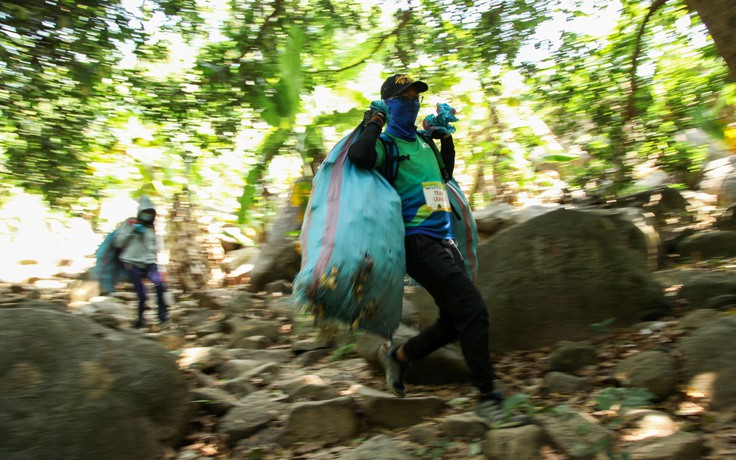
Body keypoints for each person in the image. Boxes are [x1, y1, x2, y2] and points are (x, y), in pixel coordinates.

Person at [347, 73, 530, 428]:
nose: (413, 103)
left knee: (453, 322)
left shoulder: (422, 142)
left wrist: (445, 139)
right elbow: (358, 156)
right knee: (474, 311)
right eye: (405, 97)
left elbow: (444, 175)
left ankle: (400, 356)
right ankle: (488, 398)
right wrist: (373, 122)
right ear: (389, 103)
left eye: (416, 97)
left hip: (445, 242)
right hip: (416, 243)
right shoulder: (386, 145)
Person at [114, 196, 169, 329]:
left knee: (160, 285)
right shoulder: (129, 223)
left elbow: (157, 248)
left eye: (151, 213)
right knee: (142, 295)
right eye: (146, 212)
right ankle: (139, 320)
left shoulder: (153, 228)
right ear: (140, 212)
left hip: (149, 263)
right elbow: (118, 242)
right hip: (132, 263)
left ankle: (163, 316)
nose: (147, 216)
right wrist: (133, 230)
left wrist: (162, 268)